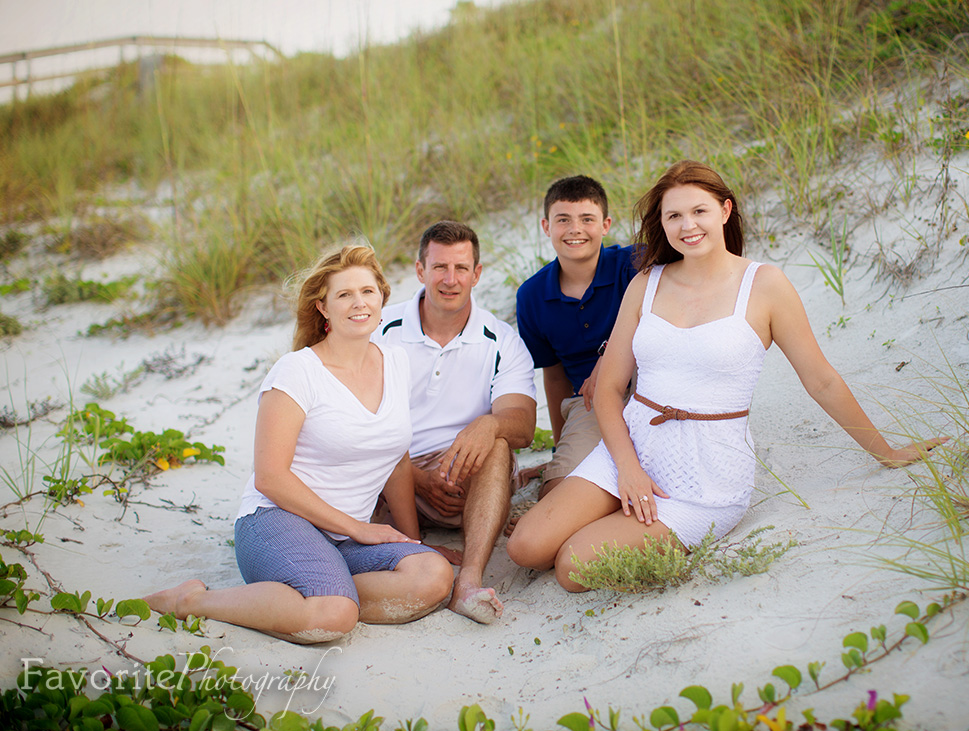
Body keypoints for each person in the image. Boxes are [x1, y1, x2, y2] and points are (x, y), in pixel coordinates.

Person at [507, 160, 947, 592]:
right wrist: (628, 470)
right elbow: (608, 388)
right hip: (636, 444)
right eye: (674, 215)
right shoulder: (647, 281)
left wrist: (885, 452)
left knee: (572, 566)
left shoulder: (766, 285)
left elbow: (822, 381)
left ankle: (632, 525)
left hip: (707, 472)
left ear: (725, 210)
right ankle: (618, 510)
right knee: (525, 548)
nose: (687, 225)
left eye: (699, 211)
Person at [144, 245, 455, 643]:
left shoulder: (395, 361)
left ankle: (318, 592)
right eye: (344, 295)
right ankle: (194, 600)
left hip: (344, 540)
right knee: (334, 615)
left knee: (432, 575)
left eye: (367, 291)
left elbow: (395, 459)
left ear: (382, 298)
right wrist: (359, 528)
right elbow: (270, 477)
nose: (358, 303)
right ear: (323, 308)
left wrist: (411, 541)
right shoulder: (297, 371)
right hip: (279, 521)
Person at [372, 221, 537, 623]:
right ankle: (411, 549)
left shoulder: (501, 341)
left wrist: (488, 425)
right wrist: (412, 476)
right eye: (439, 267)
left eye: (461, 268)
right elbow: (354, 417)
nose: (450, 279)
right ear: (419, 271)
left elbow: (523, 424)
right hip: (388, 470)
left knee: (497, 443)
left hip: (461, 474)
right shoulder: (380, 329)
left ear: (477, 274)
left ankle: (468, 581)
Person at [515, 175, 638, 500]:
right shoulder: (532, 296)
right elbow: (554, 377)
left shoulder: (632, 264)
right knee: (554, 496)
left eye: (587, 219)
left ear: (606, 224)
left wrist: (610, 355)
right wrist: (561, 449)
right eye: (563, 220)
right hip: (591, 404)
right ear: (546, 226)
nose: (575, 229)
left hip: (649, 387)